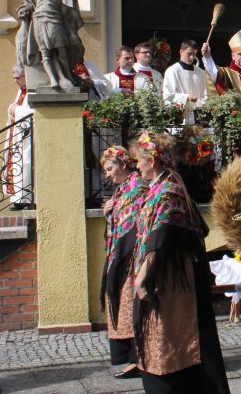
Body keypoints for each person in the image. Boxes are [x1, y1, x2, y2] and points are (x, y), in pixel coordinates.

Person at [130, 132, 229, 393]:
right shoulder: (166, 186)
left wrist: (142, 278)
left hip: (172, 281)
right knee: (167, 341)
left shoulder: (169, 189)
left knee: (175, 341)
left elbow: (160, 235)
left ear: (152, 160)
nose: (136, 165)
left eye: (139, 160)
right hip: (170, 277)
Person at [99, 146, 148, 380]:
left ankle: (139, 359)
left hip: (131, 258)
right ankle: (131, 359)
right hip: (120, 257)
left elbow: (138, 221)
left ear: (123, 164)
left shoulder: (137, 187)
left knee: (131, 305)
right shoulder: (122, 190)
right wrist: (108, 213)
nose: (107, 174)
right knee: (122, 306)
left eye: (110, 168)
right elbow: (119, 222)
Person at [4, 66, 34, 211]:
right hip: (17, 136)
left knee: (26, 165)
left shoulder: (33, 89)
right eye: (14, 78)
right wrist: (13, 108)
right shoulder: (21, 91)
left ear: (26, 75)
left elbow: (32, 112)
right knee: (17, 165)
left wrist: (16, 110)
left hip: (27, 136)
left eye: (18, 78)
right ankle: (18, 198)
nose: (15, 81)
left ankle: (26, 198)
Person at [162, 40, 208, 124]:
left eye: (194, 54)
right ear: (181, 52)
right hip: (180, 117)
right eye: (189, 54)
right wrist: (185, 97)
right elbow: (168, 96)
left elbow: (205, 95)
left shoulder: (201, 72)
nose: (191, 58)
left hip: (198, 117)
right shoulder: (172, 71)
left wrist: (201, 110)